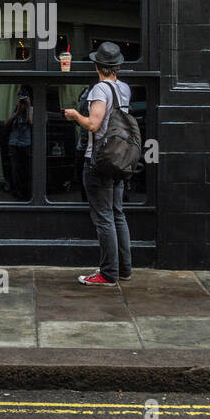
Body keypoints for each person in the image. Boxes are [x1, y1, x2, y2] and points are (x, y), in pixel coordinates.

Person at [63, 41, 133, 287]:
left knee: (104, 218)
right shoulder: (124, 89)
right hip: (118, 160)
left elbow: (94, 124)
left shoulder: (99, 91)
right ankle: (123, 269)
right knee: (117, 214)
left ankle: (108, 273)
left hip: (99, 160)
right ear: (118, 66)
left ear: (97, 66)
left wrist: (75, 116)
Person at [6, 85, 33, 200]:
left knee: (26, 168)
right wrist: (17, 111)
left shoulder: (31, 109)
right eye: (21, 99)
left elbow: (32, 124)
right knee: (15, 168)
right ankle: (17, 191)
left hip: (25, 143)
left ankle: (26, 191)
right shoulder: (15, 109)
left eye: (24, 99)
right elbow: (6, 123)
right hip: (14, 143)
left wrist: (28, 107)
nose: (22, 101)